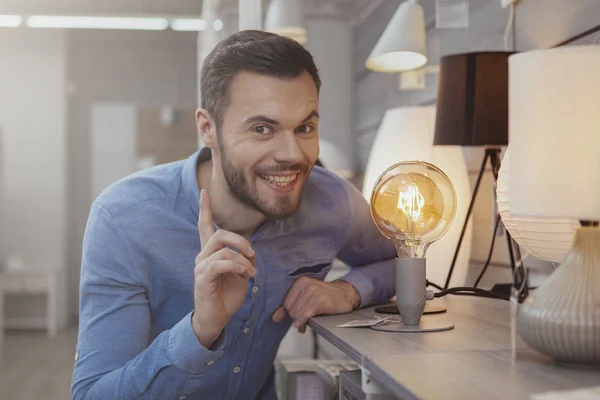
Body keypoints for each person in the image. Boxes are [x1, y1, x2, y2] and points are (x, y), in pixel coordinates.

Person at [71, 30, 396, 400]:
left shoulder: (331, 200)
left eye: (305, 127)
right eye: (262, 129)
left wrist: (348, 290)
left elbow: (401, 263)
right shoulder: (124, 219)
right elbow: (92, 395)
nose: (292, 153)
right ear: (207, 128)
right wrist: (200, 331)